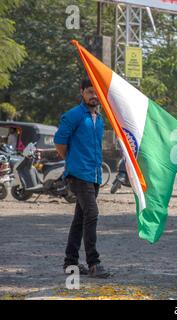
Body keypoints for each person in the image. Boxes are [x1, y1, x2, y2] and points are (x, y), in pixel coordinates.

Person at [54, 78, 110, 278]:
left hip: (94, 175)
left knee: (80, 219)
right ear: (82, 92)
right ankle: (94, 262)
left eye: (97, 92)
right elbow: (59, 141)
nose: (94, 96)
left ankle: (71, 262)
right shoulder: (74, 115)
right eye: (90, 91)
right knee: (92, 214)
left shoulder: (100, 119)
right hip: (78, 174)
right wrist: (72, 161)